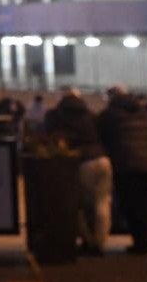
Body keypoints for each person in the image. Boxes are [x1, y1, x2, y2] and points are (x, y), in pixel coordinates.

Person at [45, 88, 111, 256]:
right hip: (102, 159)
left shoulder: (56, 115)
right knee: (102, 203)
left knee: (78, 205)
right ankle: (100, 243)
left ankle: (88, 242)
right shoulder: (90, 114)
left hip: (81, 162)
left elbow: (49, 137)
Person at [96, 85, 147, 254]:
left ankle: (141, 243)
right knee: (144, 203)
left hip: (126, 163)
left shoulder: (110, 114)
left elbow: (100, 132)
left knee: (131, 205)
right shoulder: (142, 112)